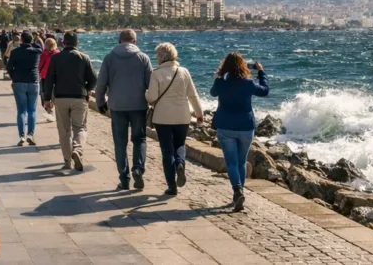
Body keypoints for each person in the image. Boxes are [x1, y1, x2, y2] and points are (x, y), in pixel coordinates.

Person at [95, 29, 153, 191]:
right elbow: (151, 84)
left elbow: (101, 84)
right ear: (134, 41)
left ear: (119, 41)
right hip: (138, 106)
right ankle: (138, 168)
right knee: (139, 139)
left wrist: (100, 102)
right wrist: (153, 102)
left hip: (117, 106)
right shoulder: (143, 58)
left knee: (120, 143)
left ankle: (124, 178)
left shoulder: (110, 58)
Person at [210, 52, 269, 212]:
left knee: (231, 162)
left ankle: (237, 190)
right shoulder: (248, 83)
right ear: (243, 66)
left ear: (225, 66)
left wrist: (221, 77)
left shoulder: (220, 82)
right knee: (242, 161)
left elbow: (212, 93)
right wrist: (261, 72)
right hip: (245, 127)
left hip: (225, 126)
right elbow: (264, 91)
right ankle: (239, 192)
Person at [146, 43, 205, 196]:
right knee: (180, 144)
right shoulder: (183, 71)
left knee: (167, 150)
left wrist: (145, 94)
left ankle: (172, 186)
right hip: (182, 116)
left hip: (162, 117)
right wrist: (199, 114)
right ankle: (180, 163)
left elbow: (151, 97)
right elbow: (193, 95)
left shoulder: (156, 73)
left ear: (160, 57)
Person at [42, 31, 97, 172]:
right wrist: (87, 89)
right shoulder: (84, 58)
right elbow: (94, 79)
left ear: (63, 43)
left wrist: (47, 98)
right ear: (77, 44)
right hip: (79, 97)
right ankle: (77, 149)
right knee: (80, 127)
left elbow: (49, 79)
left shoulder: (56, 58)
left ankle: (67, 162)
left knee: (64, 131)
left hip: (60, 98)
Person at [5, 31, 42, 146]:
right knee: (32, 110)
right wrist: (33, 42)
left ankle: (22, 136)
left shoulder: (15, 52)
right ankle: (30, 134)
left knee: (21, 111)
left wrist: (13, 77)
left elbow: (9, 66)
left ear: (21, 40)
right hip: (33, 81)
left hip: (19, 81)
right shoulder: (36, 51)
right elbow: (39, 46)